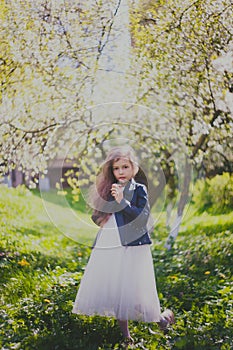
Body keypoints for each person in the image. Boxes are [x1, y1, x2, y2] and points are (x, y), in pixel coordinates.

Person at [72, 146, 174, 345]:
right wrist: (105, 211)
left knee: (135, 290)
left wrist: (122, 202)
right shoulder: (109, 189)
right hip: (111, 243)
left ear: (134, 168)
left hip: (133, 244)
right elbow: (97, 215)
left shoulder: (139, 189)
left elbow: (142, 217)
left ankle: (162, 319)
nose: (121, 172)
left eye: (125, 167)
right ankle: (126, 336)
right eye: (117, 168)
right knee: (118, 288)